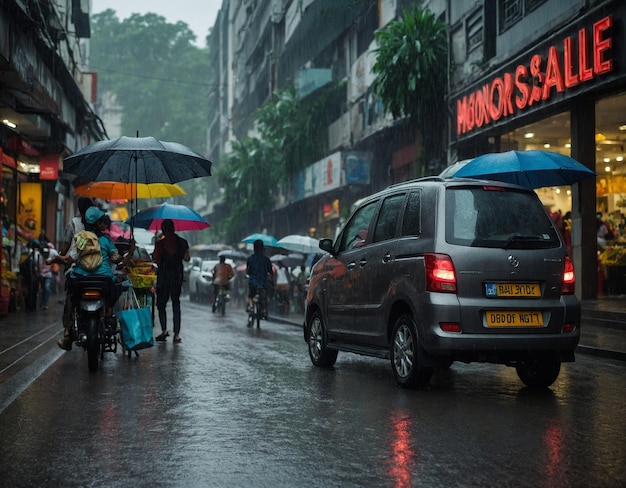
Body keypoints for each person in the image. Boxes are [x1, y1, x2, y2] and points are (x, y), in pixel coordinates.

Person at [53, 207, 135, 350]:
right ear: (98, 224)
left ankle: (68, 332)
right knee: (116, 289)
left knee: (71, 297)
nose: (106, 225)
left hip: (80, 280)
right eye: (103, 222)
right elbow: (118, 262)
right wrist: (130, 251)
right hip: (104, 280)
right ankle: (109, 313)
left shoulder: (81, 239)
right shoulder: (106, 241)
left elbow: (70, 259)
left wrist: (56, 259)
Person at [152, 219, 190, 343]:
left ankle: (164, 330)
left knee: (161, 304)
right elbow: (187, 258)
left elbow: (156, 260)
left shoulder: (160, 244)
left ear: (163, 229)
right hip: (177, 277)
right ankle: (176, 334)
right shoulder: (182, 242)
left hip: (163, 277)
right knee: (176, 303)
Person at [246, 239, 273, 320]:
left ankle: (251, 306)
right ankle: (264, 310)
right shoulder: (266, 259)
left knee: (250, 296)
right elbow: (270, 271)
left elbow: (248, 270)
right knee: (265, 297)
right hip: (263, 283)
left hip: (253, 282)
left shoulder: (250, 258)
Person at [38, 243, 59, 310]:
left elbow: (58, 258)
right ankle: (42, 302)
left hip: (48, 274)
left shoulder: (53, 253)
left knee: (46, 288)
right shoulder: (38, 256)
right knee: (41, 290)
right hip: (40, 274)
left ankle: (45, 303)